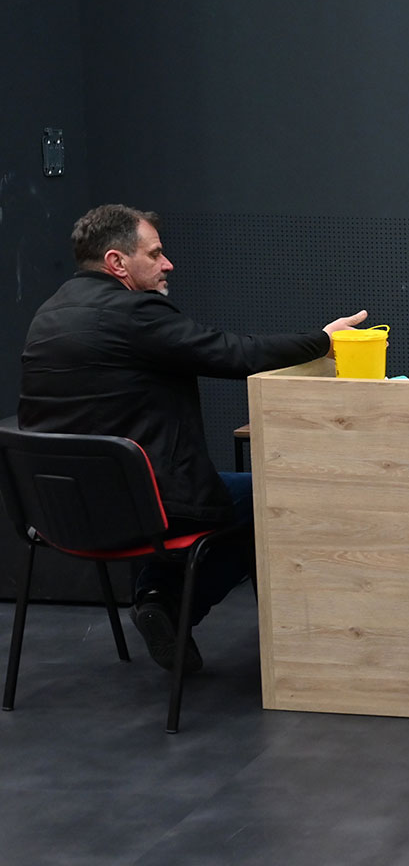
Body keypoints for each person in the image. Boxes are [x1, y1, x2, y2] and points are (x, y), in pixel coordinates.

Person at [17, 205, 366, 671]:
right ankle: (172, 605)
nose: (168, 264)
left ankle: (157, 594)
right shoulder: (134, 313)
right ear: (117, 262)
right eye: (154, 254)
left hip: (60, 512)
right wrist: (322, 340)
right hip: (138, 510)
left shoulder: (50, 314)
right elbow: (232, 353)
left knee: (211, 493)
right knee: (268, 496)